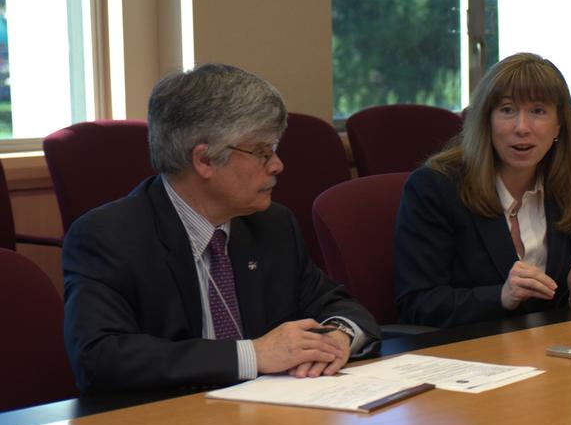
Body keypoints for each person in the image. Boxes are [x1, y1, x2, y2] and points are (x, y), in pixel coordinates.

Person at [62, 63, 379, 394]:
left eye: (274, 150)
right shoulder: (109, 236)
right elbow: (99, 358)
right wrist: (253, 354)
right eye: (261, 151)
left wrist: (337, 337)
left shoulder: (272, 225)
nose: (277, 165)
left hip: (273, 418)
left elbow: (338, 304)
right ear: (205, 160)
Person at [395, 52, 571, 328]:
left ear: (559, 125)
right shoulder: (435, 187)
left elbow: (565, 286)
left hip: (546, 350)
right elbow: (416, 302)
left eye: (538, 111)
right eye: (507, 110)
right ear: (486, 120)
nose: (522, 128)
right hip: (466, 353)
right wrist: (500, 297)